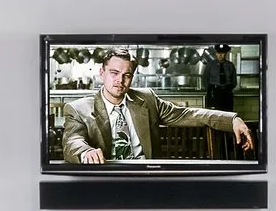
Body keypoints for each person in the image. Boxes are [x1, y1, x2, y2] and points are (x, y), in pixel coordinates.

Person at [61, 49, 253, 164]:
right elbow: (72, 141)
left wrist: (232, 119)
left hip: (147, 177)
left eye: (127, 75)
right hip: (106, 179)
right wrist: (86, 152)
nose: (120, 80)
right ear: (101, 73)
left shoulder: (147, 99)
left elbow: (188, 114)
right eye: (114, 73)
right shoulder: (78, 109)